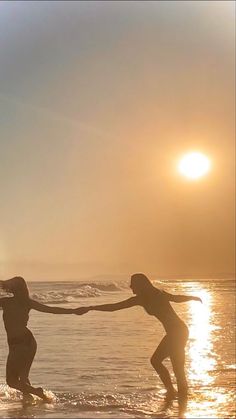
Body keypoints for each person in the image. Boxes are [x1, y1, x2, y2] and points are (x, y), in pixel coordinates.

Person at [76, 273, 202, 399]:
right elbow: (114, 307)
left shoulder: (155, 295)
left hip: (178, 332)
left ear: (140, 285)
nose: (131, 286)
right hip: (178, 331)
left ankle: (174, 394)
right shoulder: (145, 297)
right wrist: (91, 308)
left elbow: (176, 298)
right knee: (173, 366)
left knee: (164, 363)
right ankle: (176, 394)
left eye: (133, 284)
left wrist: (192, 297)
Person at [0, 276, 85, 401]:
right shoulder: (26, 302)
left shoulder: (6, 302)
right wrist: (73, 311)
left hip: (19, 345)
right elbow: (51, 310)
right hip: (28, 342)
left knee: (12, 382)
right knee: (23, 379)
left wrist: (73, 311)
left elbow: (51, 310)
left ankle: (37, 392)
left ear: (13, 289)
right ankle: (28, 405)